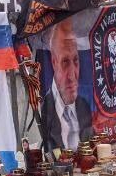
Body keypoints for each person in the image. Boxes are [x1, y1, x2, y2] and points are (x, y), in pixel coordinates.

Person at [39, 18, 91, 152]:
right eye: (65, 62)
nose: (72, 76)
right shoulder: (44, 109)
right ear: (54, 62)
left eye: (76, 61)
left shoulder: (84, 107)